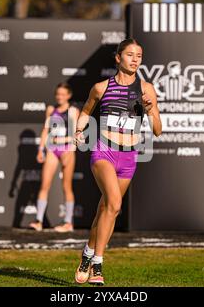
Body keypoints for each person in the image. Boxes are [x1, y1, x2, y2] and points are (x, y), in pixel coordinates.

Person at [73, 38, 162, 285]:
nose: (135, 59)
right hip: (104, 152)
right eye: (130, 54)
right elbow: (86, 112)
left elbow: (157, 130)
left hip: (129, 157)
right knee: (113, 203)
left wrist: (151, 109)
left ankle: (88, 254)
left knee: (106, 210)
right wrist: (79, 131)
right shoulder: (101, 88)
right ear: (118, 58)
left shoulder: (146, 89)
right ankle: (98, 265)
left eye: (139, 56)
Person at [28, 83, 79, 233]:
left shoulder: (73, 111)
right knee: (45, 185)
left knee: (67, 186)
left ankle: (68, 222)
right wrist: (40, 149)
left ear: (69, 95)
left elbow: (76, 134)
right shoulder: (51, 110)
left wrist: (62, 142)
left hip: (67, 149)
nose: (60, 97)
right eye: (58, 94)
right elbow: (46, 130)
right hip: (52, 149)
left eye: (63, 94)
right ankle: (38, 221)